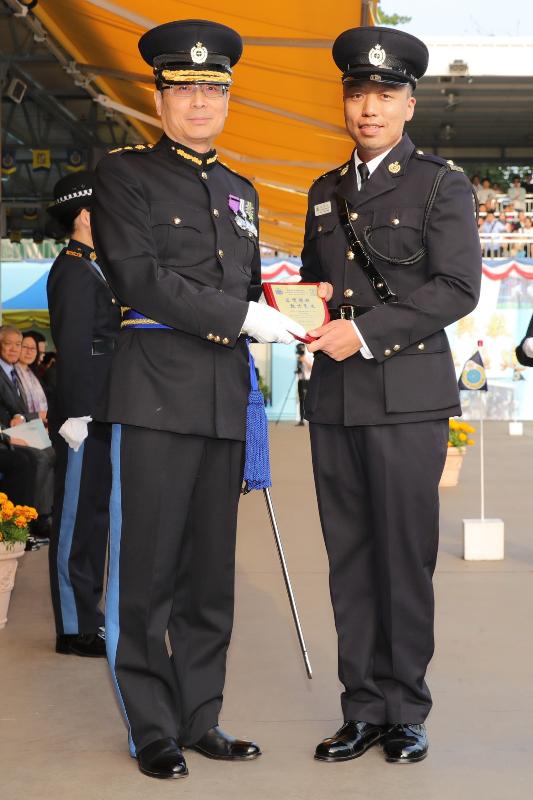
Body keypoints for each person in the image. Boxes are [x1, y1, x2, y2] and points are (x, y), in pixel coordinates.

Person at [91, 18, 303, 780]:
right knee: (147, 573)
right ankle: (151, 727)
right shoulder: (125, 176)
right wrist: (242, 316)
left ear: (227, 98)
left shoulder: (240, 191)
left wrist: (284, 313)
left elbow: (249, 288)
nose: (200, 101)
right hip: (154, 395)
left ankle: (200, 716)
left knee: (209, 578)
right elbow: (140, 279)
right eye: (184, 87)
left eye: (213, 88)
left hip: (221, 398)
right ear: (159, 96)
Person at [300, 25, 481, 765]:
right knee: (348, 559)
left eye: (383, 94)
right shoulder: (324, 190)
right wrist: (306, 306)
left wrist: (365, 332)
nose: (367, 107)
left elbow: (456, 287)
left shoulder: (441, 182)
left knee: (402, 559)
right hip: (335, 398)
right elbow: (319, 285)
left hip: (405, 397)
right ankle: (361, 709)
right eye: (356, 93)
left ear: (408, 104)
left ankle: (405, 707)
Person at [46, 171, 121, 658]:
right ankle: (74, 626)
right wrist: (75, 415)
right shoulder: (74, 268)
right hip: (83, 415)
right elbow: (73, 346)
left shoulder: (94, 266)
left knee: (94, 517)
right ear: (88, 216)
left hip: (101, 410)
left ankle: (88, 617)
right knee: (76, 519)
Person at [0, 325, 54, 534]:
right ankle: (32, 520)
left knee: (51, 451)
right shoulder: (10, 371)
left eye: (18, 345)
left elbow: (18, 409)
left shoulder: (16, 372)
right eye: (8, 344)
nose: (15, 349)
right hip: (8, 434)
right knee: (37, 457)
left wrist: (22, 417)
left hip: (18, 428)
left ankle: (45, 514)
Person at [15, 333, 48, 422]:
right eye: (25, 347)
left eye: (33, 348)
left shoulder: (34, 375)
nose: (29, 352)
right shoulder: (11, 372)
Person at [296, 343, 313, 425]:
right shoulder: (298, 358)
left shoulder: (309, 356)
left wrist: (305, 361)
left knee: (308, 400)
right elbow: (298, 369)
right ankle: (301, 419)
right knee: (301, 400)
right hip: (300, 380)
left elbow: (312, 368)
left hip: (308, 380)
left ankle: (310, 419)